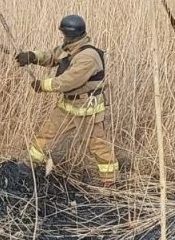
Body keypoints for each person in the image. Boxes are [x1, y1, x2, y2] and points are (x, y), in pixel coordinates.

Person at [15, 15, 120, 184]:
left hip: (87, 109)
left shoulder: (88, 56)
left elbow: (69, 80)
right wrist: (32, 56)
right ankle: (29, 168)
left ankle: (110, 181)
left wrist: (43, 85)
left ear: (72, 35)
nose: (64, 38)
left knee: (97, 145)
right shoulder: (69, 48)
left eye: (65, 35)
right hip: (68, 105)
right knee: (46, 135)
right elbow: (51, 56)